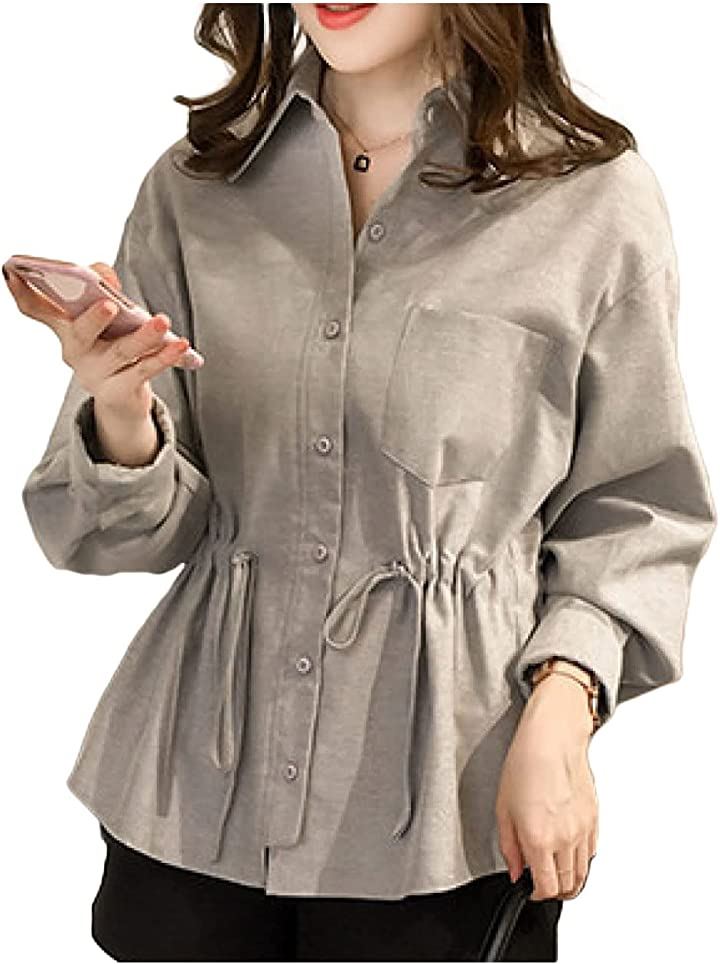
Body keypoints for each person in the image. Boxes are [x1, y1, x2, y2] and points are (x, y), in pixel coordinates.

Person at [8, 3, 716, 961]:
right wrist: (120, 407)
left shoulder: (590, 198)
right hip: (191, 807)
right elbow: (120, 535)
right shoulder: (198, 185)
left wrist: (565, 704)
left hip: (446, 812)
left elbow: (639, 506)